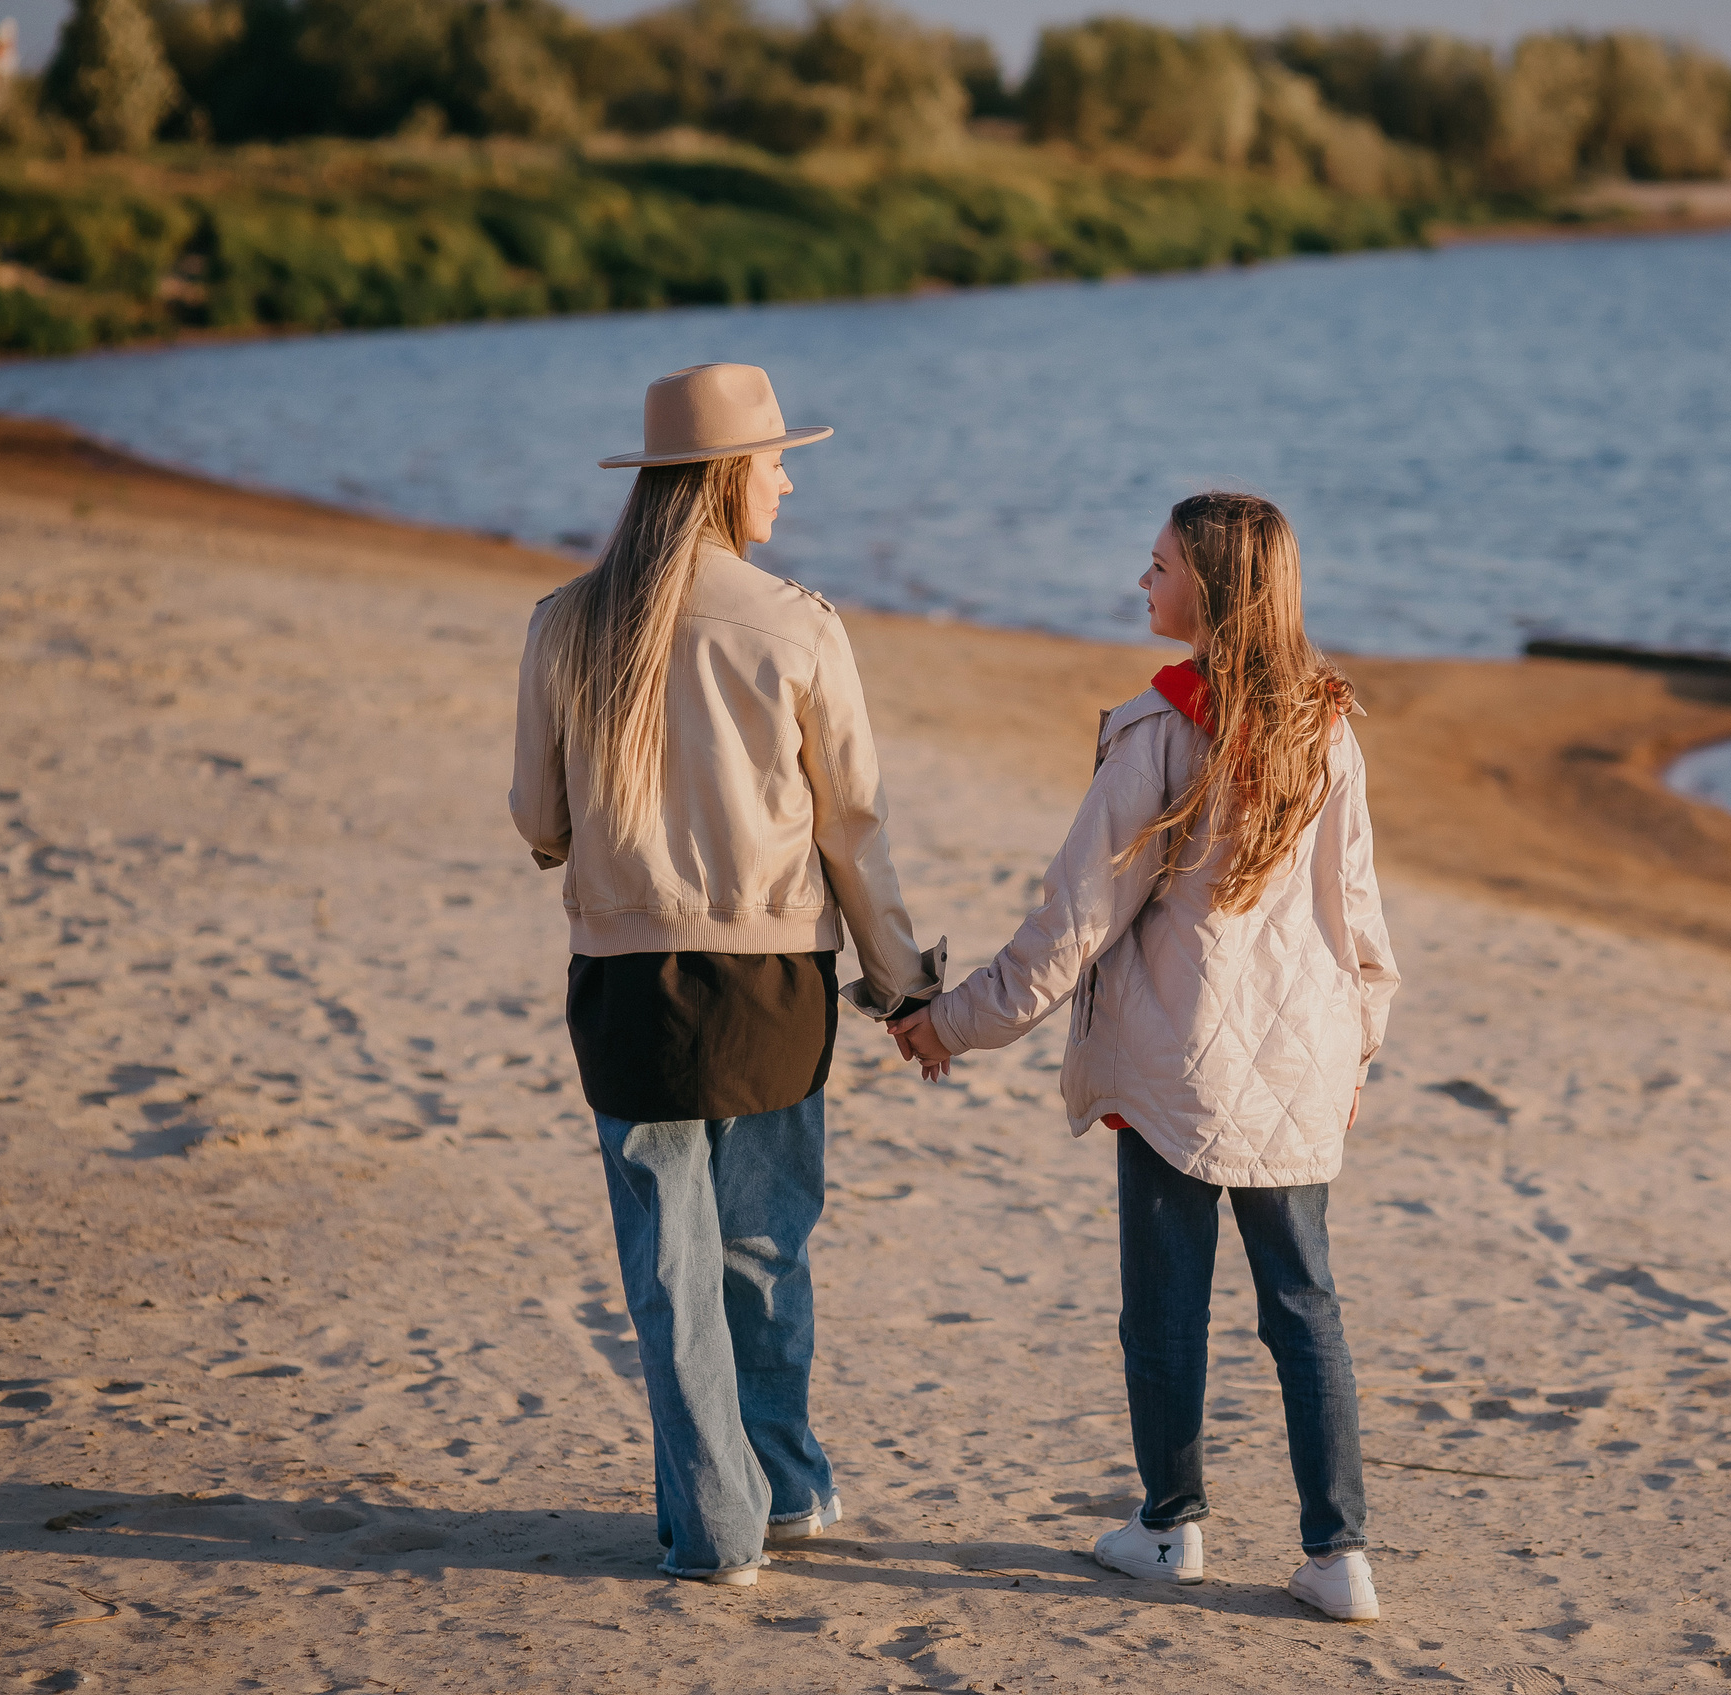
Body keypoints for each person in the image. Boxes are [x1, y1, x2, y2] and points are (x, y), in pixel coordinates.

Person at [889, 491, 1400, 1622]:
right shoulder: (1329, 730)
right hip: (1301, 1067)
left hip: (1179, 1069)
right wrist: (1356, 1057)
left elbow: (1071, 923)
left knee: (1165, 1307)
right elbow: (1362, 927)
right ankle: (1339, 1557)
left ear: (1209, 590)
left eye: (1159, 565)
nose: (1142, 581)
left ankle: (1170, 1528)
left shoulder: (1162, 731)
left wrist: (951, 1023)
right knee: (1304, 1304)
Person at [510, 362, 943, 1587]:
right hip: (773, 988)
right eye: (775, 463)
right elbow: (852, 831)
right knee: (763, 1248)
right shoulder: (798, 625)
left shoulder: (565, 621)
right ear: (721, 480)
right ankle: (787, 1490)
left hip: (627, 986)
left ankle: (716, 1526)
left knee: (671, 1267)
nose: (787, 483)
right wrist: (902, 986)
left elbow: (539, 819)